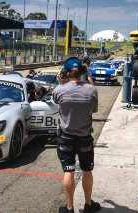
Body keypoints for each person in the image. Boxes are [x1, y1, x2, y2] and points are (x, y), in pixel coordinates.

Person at [53, 57, 100, 213]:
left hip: (66, 137)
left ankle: (70, 207)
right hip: (85, 137)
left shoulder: (59, 90)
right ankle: (88, 204)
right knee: (87, 170)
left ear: (65, 73)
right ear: (82, 73)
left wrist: (60, 83)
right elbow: (94, 111)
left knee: (69, 170)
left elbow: (57, 101)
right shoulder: (92, 90)